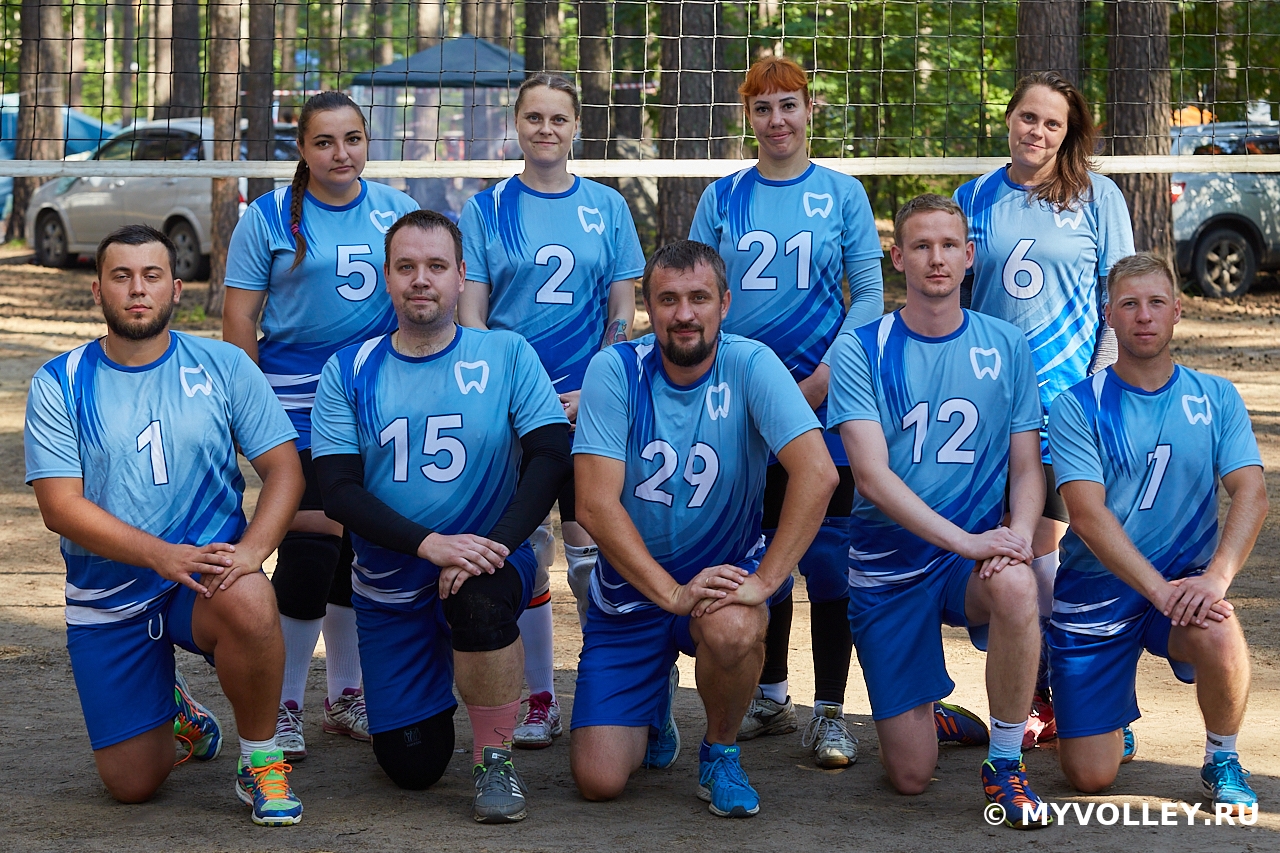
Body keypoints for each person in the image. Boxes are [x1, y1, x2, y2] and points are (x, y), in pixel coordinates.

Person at [24, 225, 306, 826]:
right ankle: (177, 712)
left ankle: (261, 759)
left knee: (250, 595)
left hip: (200, 579)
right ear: (97, 290)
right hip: (108, 592)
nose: (137, 289)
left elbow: (284, 470)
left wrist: (252, 552)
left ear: (176, 289)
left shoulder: (223, 364)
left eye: (151, 276)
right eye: (121, 276)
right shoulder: (59, 381)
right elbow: (59, 507)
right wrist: (161, 555)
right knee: (132, 785)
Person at [310, 210, 572, 823]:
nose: (420, 279)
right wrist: (431, 544)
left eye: (435, 266)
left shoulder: (505, 353)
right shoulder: (347, 370)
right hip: (391, 584)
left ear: (461, 276)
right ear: (386, 277)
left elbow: (551, 453)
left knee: (479, 601)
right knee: (413, 768)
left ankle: (493, 760)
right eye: (406, 267)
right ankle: (441, 687)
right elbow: (338, 491)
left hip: (488, 561)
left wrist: (496, 545)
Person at [571, 240, 837, 818]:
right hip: (633, 595)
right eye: (668, 299)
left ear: (725, 304)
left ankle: (720, 753)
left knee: (736, 627)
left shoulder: (752, 364)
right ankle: (652, 703)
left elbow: (818, 474)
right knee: (599, 780)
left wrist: (765, 581)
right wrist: (670, 593)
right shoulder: (614, 370)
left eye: (699, 298)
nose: (684, 314)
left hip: (719, 586)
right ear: (648, 307)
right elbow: (593, 505)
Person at [828, 196, 1051, 828]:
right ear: (897, 257)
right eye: (921, 246)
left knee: (1017, 581)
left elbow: (1028, 467)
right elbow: (871, 479)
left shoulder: (1006, 343)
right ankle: (930, 715)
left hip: (967, 563)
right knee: (910, 778)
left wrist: (1017, 536)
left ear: (969, 255)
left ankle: (1004, 762)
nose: (936, 258)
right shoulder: (861, 348)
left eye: (949, 245)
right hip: (889, 567)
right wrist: (970, 542)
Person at [688, 56, 884, 765]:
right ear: (749, 117)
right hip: (740, 403)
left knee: (828, 560)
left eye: (788, 105)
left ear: (809, 110)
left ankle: (829, 710)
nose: (777, 120)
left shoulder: (841, 193)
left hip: (823, 397)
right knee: (757, 548)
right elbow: (698, 289)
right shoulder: (723, 196)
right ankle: (770, 696)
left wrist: (828, 373)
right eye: (763, 108)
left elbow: (868, 295)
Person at [223, 91, 420, 758]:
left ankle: (343, 696)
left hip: (373, 400)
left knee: (357, 545)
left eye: (353, 139)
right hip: (292, 402)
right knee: (310, 542)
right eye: (325, 142)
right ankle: (280, 706)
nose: (341, 153)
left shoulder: (396, 210)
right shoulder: (268, 216)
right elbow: (239, 320)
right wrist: (251, 409)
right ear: (302, 150)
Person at [458, 73, 644, 750]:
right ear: (517, 124)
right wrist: (511, 391)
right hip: (514, 407)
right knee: (525, 549)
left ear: (576, 127)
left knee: (594, 548)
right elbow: (472, 312)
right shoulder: (486, 208)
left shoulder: (607, 206)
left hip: (589, 402)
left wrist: (599, 382)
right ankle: (541, 696)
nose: (545, 129)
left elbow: (622, 306)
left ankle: (606, 692)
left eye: (558, 118)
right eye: (534, 117)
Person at [1047, 252, 1267, 814]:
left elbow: (1251, 493)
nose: (1143, 316)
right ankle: (1105, 711)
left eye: (1155, 303)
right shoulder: (1077, 405)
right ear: (1109, 316)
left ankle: (1222, 758)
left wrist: (1215, 579)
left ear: (1176, 312)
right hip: (1096, 594)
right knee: (1090, 778)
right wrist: (1156, 589)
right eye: (1129, 304)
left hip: (1182, 587)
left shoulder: (1215, 396)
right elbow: (1086, 514)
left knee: (1221, 628)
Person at [954, 71, 1136, 748]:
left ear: (1068, 132)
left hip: (1065, 409)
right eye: (1028, 117)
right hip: (990, 411)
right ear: (1009, 119)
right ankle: (1036, 696)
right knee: (1006, 556)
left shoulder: (1098, 197)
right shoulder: (974, 196)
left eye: (1052, 123)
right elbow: (955, 305)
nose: (1037, 131)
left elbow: (1118, 303)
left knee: (1047, 555)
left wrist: (1098, 394)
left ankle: (1085, 701)